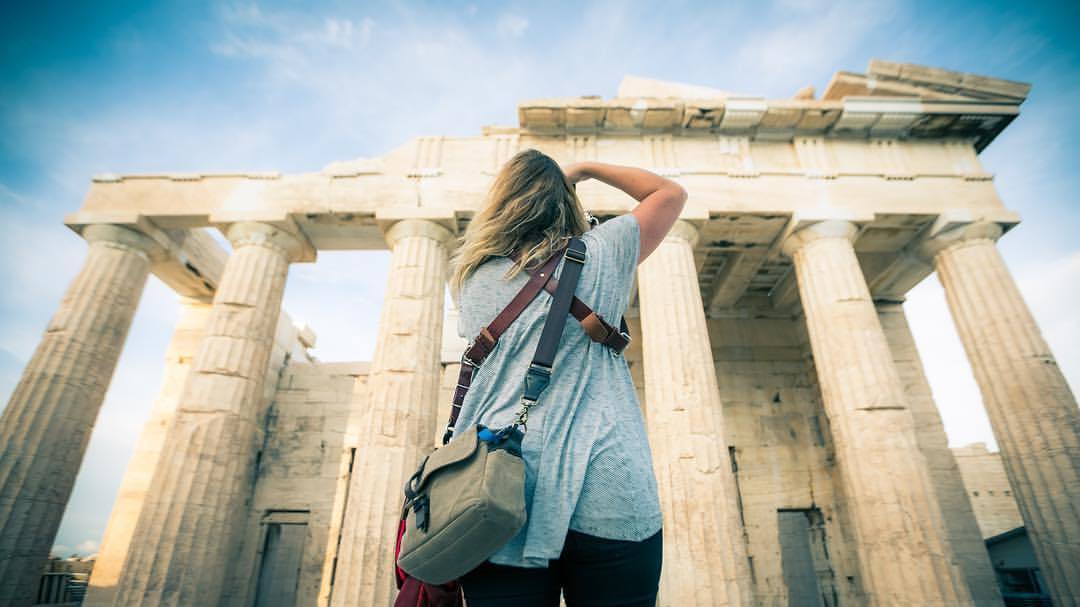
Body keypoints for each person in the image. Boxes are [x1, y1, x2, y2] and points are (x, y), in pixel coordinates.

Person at [447, 148, 687, 607]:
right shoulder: (604, 252)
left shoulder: (472, 277)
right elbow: (668, 193)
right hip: (608, 484)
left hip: (495, 492)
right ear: (566, 201)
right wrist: (585, 169)